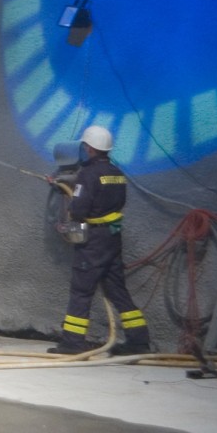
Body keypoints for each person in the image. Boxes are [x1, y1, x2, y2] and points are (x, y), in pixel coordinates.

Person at [47, 124, 151, 355]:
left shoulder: (88, 174)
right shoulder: (116, 174)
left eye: (84, 146)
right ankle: (139, 341)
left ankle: (73, 343)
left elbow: (81, 208)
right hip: (112, 237)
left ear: (89, 148)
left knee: (82, 290)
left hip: (93, 240)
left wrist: (71, 205)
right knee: (117, 290)